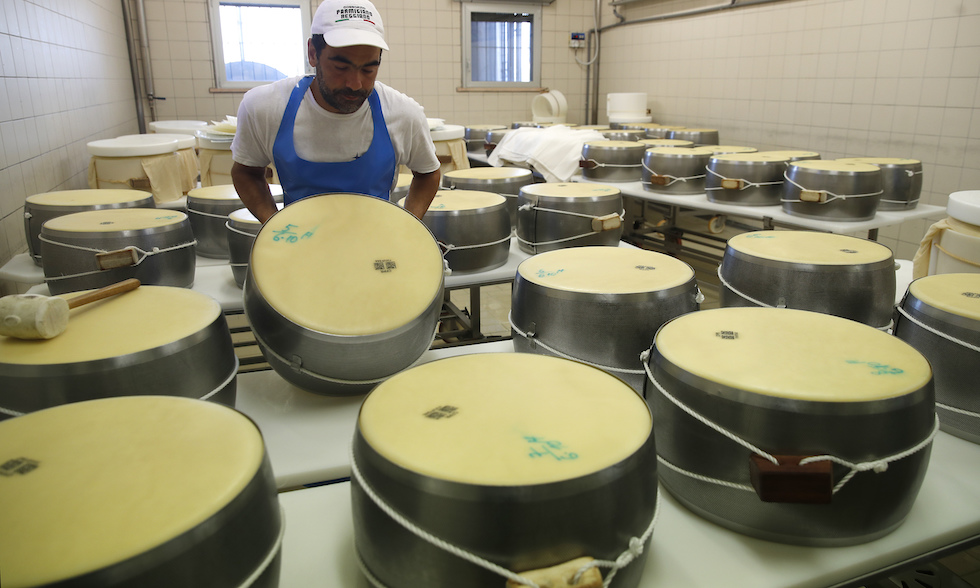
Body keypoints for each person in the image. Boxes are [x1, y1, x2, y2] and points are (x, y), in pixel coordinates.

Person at [230, 0, 441, 223]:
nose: (355, 83)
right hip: (299, 245)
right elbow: (246, 172)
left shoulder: (403, 114)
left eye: (369, 69)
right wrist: (273, 226)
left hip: (376, 243)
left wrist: (408, 226)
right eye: (341, 67)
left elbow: (428, 173)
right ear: (312, 53)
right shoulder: (266, 108)